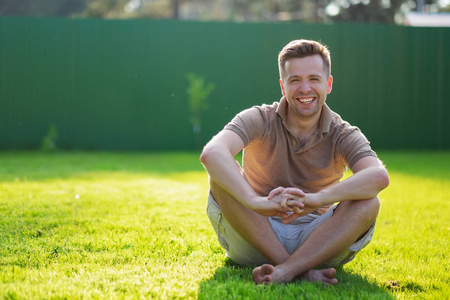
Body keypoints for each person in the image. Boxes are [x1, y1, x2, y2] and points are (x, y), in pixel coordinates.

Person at [200, 39, 389, 285]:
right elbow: (212, 153)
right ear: (283, 86)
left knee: (368, 202)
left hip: (320, 242)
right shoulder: (259, 118)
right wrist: (255, 202)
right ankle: (299, 271)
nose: (305, 88)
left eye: (313, 79)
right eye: (295, 80)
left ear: (328, 83)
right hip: (255, 234)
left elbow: (378, 177)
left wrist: (318, 199)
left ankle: (286, 270)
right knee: (219, 178)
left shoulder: (343, 133)